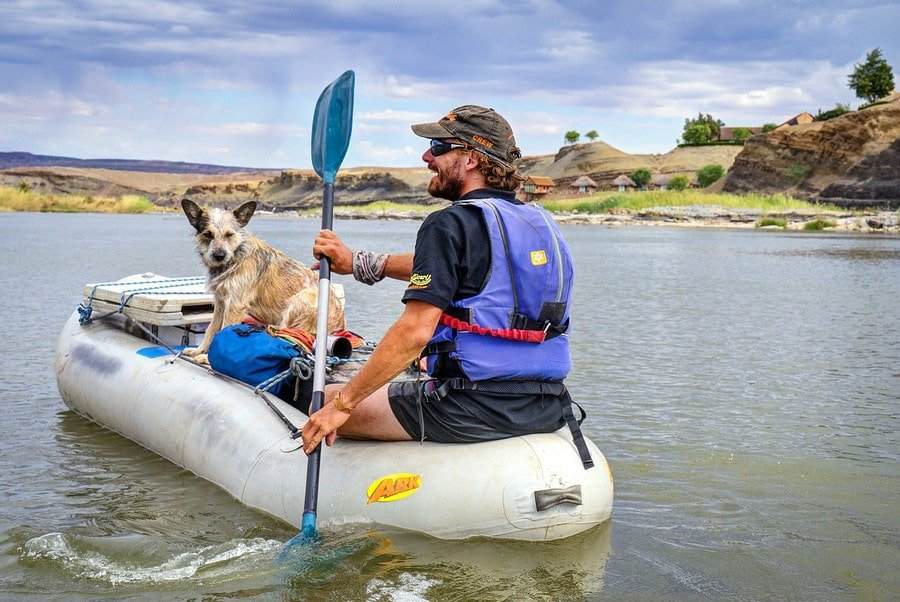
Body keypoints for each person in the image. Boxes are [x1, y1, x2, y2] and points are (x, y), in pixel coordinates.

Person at [301, 105, 593, 469]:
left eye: (438, 147)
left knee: (322, 396)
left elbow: (413, 333)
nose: (427, 157)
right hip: (545, 405)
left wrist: (341, 406)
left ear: (471, 158)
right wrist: (363, 262)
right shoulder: (541, 223)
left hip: (466, 408)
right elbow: (467, 270)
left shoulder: (448, 223)